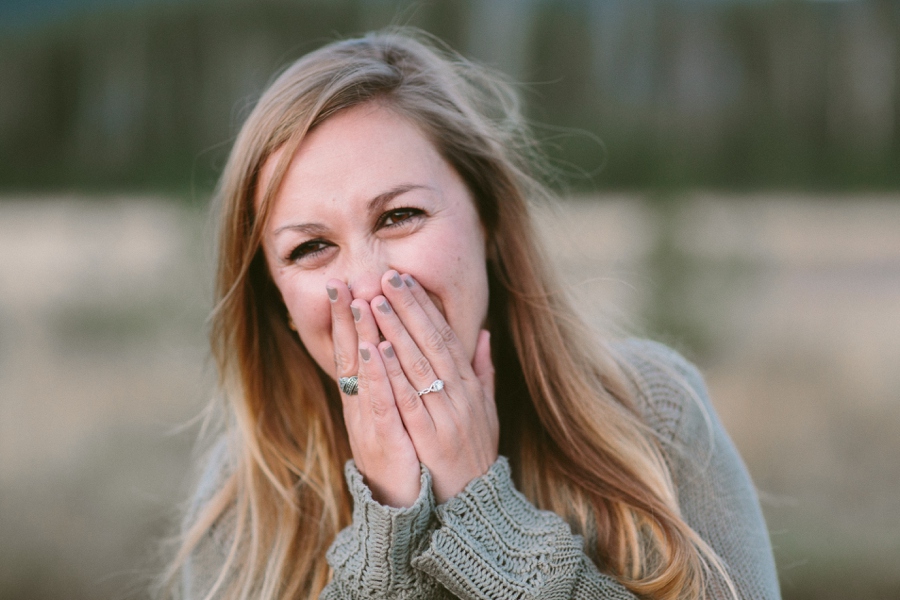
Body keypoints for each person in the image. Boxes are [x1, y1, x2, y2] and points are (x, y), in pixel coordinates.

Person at [163, 29, 781, 600]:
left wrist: (483, 513)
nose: (370, 287)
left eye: (399, 215)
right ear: (279, 304)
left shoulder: (655, 415)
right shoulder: (244, 502)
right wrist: (388, 526)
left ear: (487, 219)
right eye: (311, 248)